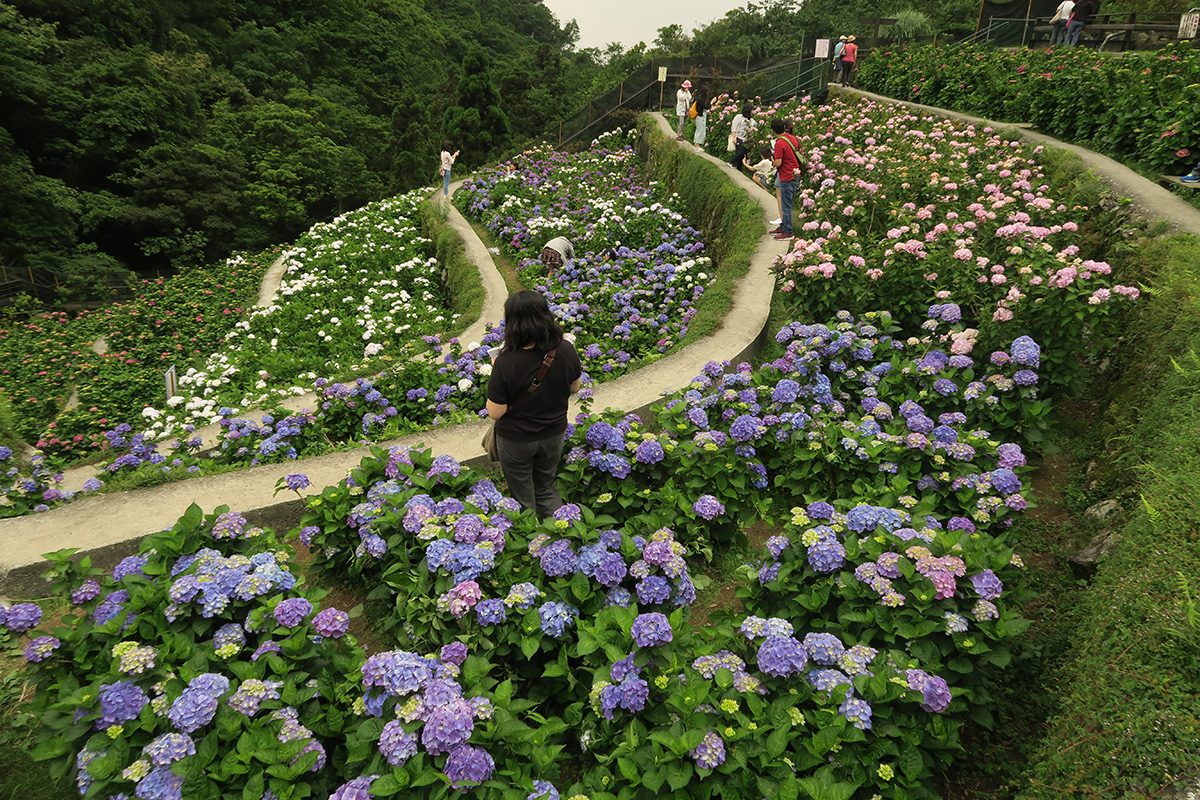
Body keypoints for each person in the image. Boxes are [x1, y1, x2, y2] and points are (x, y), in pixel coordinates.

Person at [486, 291, 582, 518]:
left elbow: (495, 411)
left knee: (523, 497)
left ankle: (530, 543)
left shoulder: (506, 362)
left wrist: (496, 370)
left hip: (517, 440)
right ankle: (562, 538)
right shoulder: (565, 349)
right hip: (553, 434)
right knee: (546, 487)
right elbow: (575, 387)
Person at [770, 118, 802, 240]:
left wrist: (773, 161)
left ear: (773, 131)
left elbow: (778, 163)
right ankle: (783, 226)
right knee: (786, 202)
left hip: (787, 176)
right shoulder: (791, 138)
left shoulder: (779, 143)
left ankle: (788, 230)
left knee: (786, 205)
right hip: (795, 173)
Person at [728, 102, 753, 170]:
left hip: (746, 139)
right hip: (739, 137)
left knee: (743, 154)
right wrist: (734, 137)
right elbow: (734, 128)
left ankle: (739, 169)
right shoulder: (738, 117)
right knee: (741, 151)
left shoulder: (751, 120)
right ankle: (731, 161)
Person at [692, 86, 710, 151]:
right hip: (700, 116)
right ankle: (697, 145)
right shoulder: (700, 99)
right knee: (700, 131)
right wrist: (712, 103)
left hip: (700, 116)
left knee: (699, 130)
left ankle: (696, 145)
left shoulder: (699, 99)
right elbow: (706, 107)